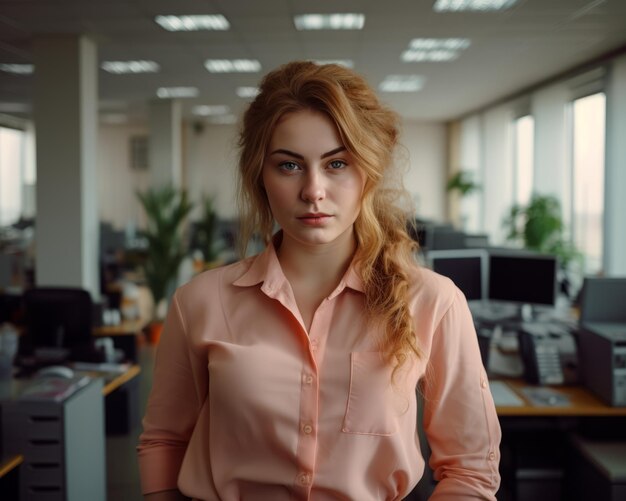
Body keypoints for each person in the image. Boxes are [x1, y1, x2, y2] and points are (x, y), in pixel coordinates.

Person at [137, 61, 501, 500]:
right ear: (261, 177)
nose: (313, 190)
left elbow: (470, 468)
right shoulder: (199, 302)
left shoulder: (432, 301)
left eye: (337, 164)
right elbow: (165, 442)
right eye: (289, 166)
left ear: (369, 172)